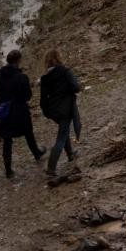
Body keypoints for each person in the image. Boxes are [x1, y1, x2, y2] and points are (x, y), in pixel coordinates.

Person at [0, 50, 44, 178]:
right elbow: (28, 96)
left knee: (7, 140)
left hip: (3, 111)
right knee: (28, 133)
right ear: (18, 61)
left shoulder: (0, 75)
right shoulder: (21, 77)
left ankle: (8, 170)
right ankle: (37, 153)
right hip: (19, 111)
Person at [39, 49, 81, 178]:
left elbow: (42, 99)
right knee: (61, 136)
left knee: (64, 129)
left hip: (53, 110)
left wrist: (47, 113)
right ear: (58, 58)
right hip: (65, 109)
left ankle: (70, 154)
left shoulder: (45, 78)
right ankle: (51, 168)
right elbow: (76, 87)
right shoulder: (65, 71)